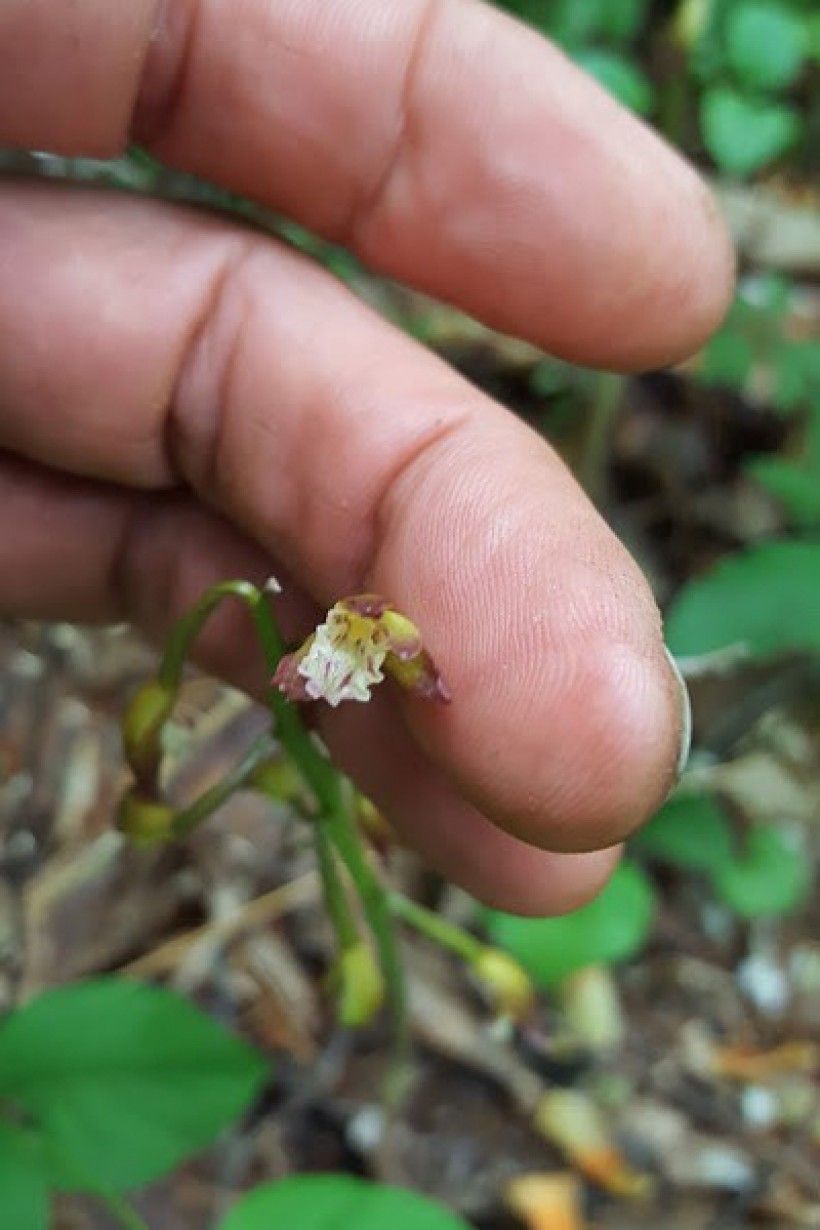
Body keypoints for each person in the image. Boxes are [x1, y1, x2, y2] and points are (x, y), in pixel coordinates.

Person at [0, 0, 733, 915]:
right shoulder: (332, 641)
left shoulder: (373, 641)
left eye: (359, 630)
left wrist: (423, 679)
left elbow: (405, 670)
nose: (356, 635)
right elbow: (324, 671)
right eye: (356, 631)